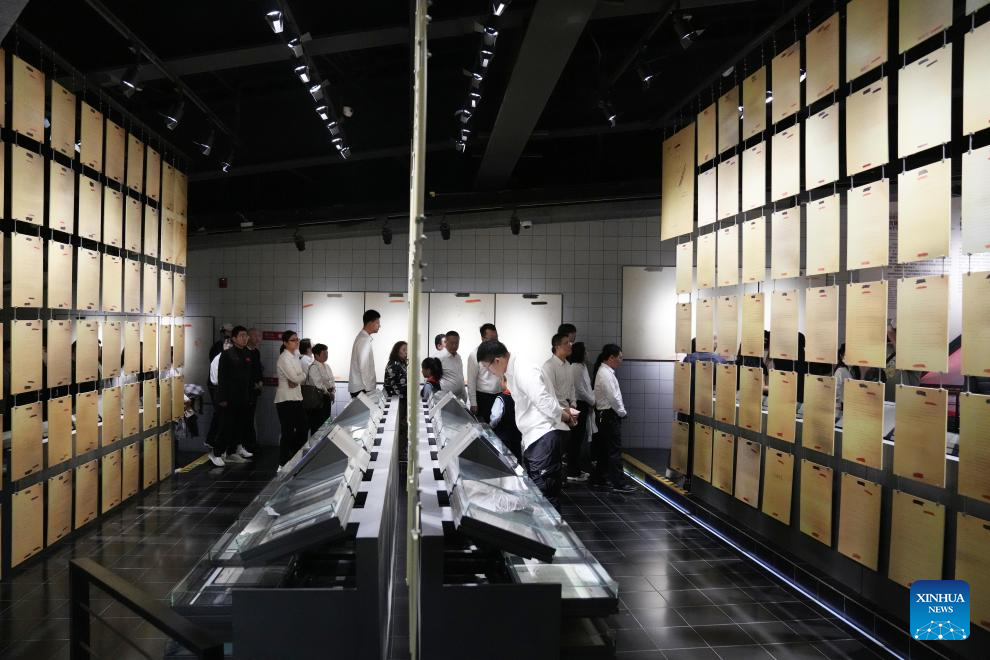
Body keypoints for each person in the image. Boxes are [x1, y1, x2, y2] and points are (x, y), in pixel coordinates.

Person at [477, 341, 574, 508]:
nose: (490, 373)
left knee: (544, 496)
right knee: (538, 492)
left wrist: (563, 416)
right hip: (535, 437)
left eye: (488, 368)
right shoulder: (513, 372)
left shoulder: (524, 369)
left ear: (497, 361)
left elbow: (543, 400)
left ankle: (552, 525)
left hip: (543, 435)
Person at [590, 344, 635, 494]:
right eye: (619, 358)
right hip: (609, 415)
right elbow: (613, 397)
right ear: (611, 358)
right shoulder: (606, 374)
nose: (621, 361)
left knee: (604, 449)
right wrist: (622, 412)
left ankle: (599, 478)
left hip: (604, 415)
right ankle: (618, 483)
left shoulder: (605, 372)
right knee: (614, 450)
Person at [213, 326, 255, 466]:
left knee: (239, 425)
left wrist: (249, 395)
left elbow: (249, 377)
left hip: (243, 396)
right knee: (226, 426)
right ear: (234, 338)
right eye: (241, 335)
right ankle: (217, 453)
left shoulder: (248, 353)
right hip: (229, 397)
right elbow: (222, 377)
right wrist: (222, 398)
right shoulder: (227, 354)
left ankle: (232, 452)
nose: (245, 338)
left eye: (246, 335)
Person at [275, 330, 310, 466]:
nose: (296, 342)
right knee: (288, 432)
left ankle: (296, 457)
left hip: (297, 397)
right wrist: (298, 377)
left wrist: (299, 377)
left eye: (297, 339)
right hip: (285, 399)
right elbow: (295, 378)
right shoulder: (284, 358)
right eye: (293, 340)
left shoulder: (295, 355)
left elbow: (301, 376)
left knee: (303, 428)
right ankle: (283, 462)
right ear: (285, 343)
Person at [568, 342, 594, 483]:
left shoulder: (582, 367)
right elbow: (580, 390)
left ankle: (575, 469)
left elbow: (586, 387)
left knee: (578, 440)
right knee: (575, 440)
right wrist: (592, 401)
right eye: (585, 351)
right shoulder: (575, 368)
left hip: (584, 404)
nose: (587, 353)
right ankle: (573, 471)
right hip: (579, 405)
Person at [466, 323, 501, 422]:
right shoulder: (474, 355)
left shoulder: (500, 351)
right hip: (483, 397)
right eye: (491, 339)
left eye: (496, 338)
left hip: (499, 396)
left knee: (498, 425)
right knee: (484, 426)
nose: (495, 342)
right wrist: (473, 403)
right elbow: (471, 380)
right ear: (482, 338)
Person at [206, 337, 232, 451]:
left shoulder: (229, 359)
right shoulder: (219, 359)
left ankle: (219, 448)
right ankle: (215, 448)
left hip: (225, 391)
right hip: (220, 391)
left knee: (223, 419)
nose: (230, 347)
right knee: (221, 420)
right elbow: (216, 380)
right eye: (228, 345)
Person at [304, 343, 336, 433]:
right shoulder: (314, 367)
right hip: (318, 399)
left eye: (327, 353)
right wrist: (329, 393)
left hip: (327, 397)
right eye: (324, 353)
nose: (326, 355)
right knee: (317, 424)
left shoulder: (327, 366)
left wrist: (333, 391)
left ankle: (324, 440)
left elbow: (332, 380)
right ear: (316, 355)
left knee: (326, 422)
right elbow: (318, 385)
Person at [349, 309, 381, 396]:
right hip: (362, 388)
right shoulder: (364, 340)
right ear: (370, 323)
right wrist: (370, 390)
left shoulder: (363, 337)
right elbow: (364, 367)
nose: (379, 325)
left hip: (361, 387)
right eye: (377, 323)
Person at [490, 376, 522, 460]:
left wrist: (491, 426)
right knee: (517, 458)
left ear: (506, 382)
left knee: (506, 460)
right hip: (517, 435)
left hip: (503, 437)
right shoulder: (519, 397)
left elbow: (495, 417)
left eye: (501, 380)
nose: (500, 383)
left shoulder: (501, 398)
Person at [245, 328, 264, 453]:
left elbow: (258, 369)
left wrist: (260, 381)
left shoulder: (256, 352)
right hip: (246, 391)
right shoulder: (244, 352)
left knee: (251, 416)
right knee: (245, 418)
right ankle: (245, 444)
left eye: (259, 336)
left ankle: (250, 443)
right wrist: (253, 383)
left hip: (255, 390)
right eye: (255, 336)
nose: (258, 339)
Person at [439, 330, 466, 402]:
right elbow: (432, 379)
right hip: (445, 400)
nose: (454, 346)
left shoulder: (458, 357)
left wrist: (465, 396)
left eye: (456, 343)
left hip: (459, 398)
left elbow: (461, 377)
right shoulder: (439, 357)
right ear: (446, 342)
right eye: (451, 343)